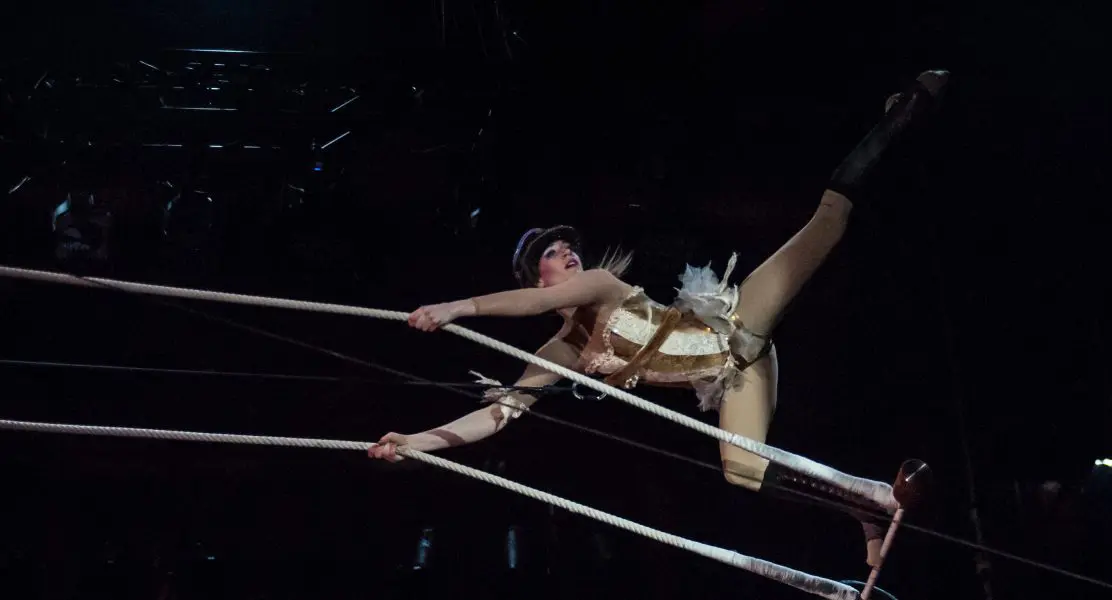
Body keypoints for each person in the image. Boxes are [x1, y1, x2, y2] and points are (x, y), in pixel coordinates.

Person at [369, 70, 949, 567]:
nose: (567, 252)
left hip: (740, 322)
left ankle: (903, 113)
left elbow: (530, 305)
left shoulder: (597, 284)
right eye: (550, 254)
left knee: (827, 222)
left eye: (566, 245)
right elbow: (496, 418)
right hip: (736, 377)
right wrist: (414, 442)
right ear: (535, 276)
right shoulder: (560, 354)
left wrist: (456, 307)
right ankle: (859, 506)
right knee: (743, 475)